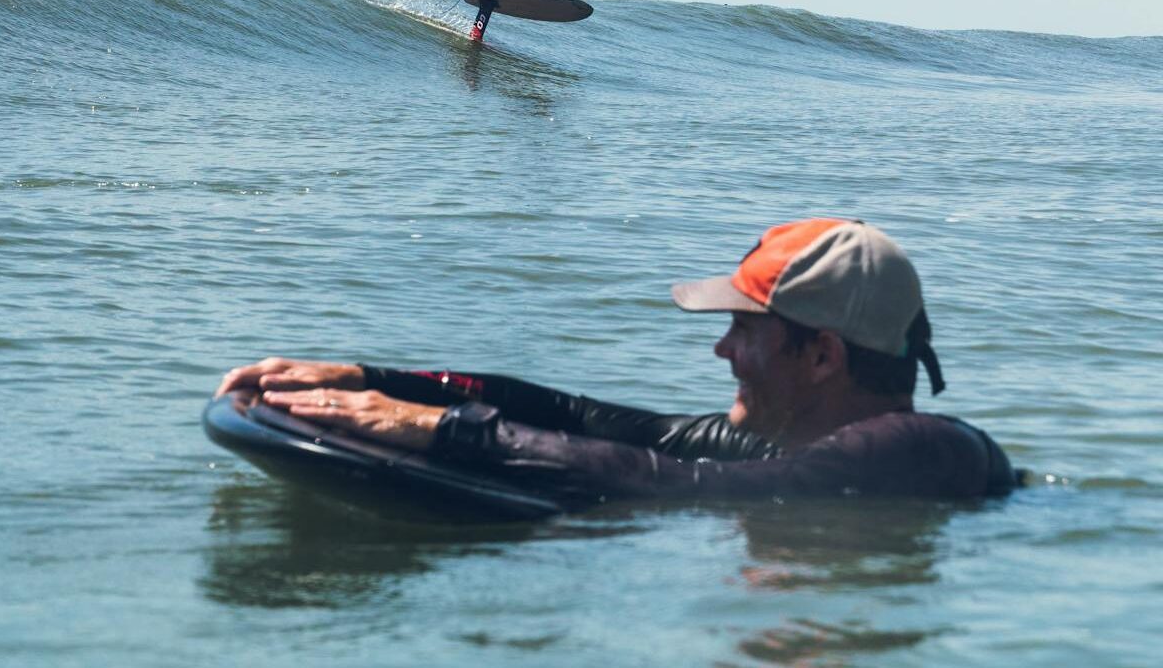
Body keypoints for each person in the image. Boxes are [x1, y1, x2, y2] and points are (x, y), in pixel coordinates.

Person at [214, 218, 1019, 506]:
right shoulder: (803, 446)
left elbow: (698, 490)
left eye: (743, 330)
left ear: (820, 356)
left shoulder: (922, 450)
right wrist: (372, 383)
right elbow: (593, 422)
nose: (721, 350)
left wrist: (450, 435)